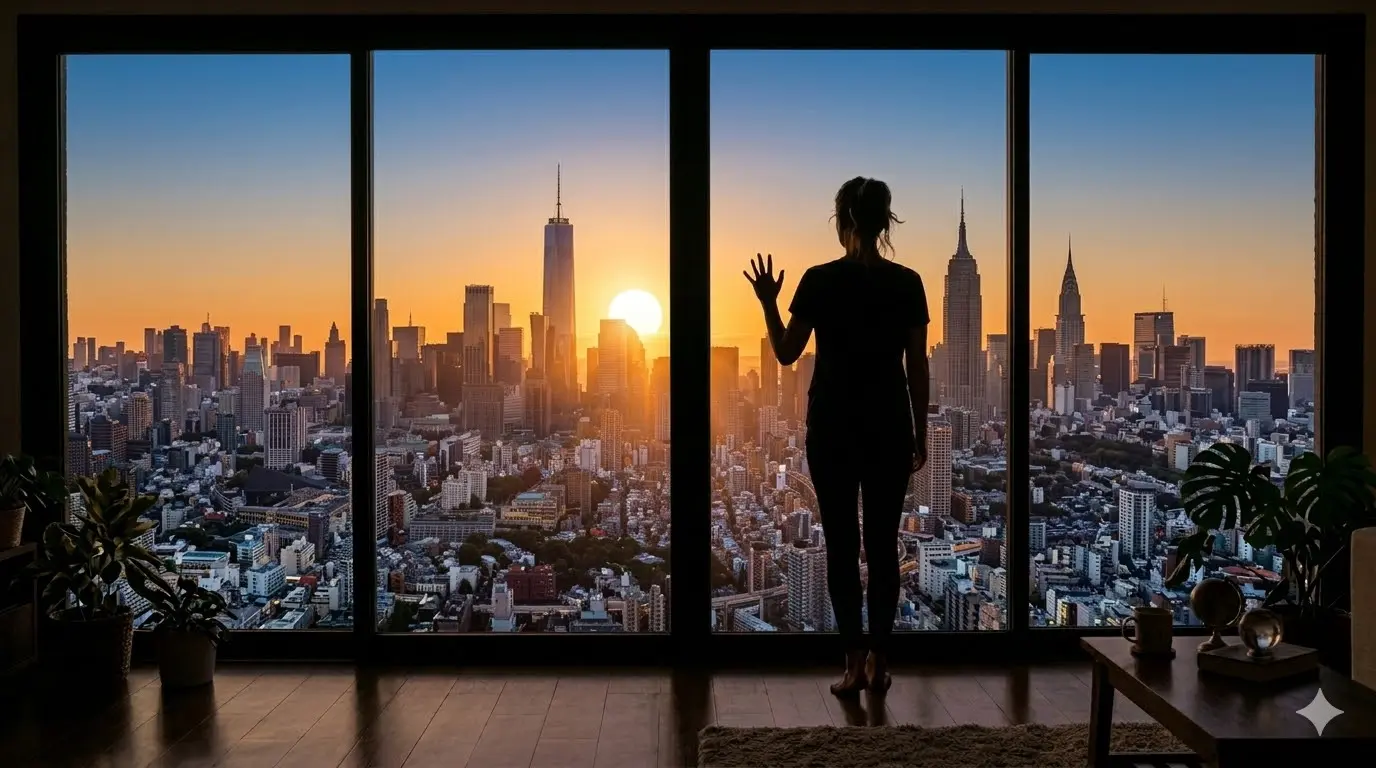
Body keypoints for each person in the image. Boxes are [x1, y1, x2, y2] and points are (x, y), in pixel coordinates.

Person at [745, 176, 930, 697]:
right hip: (890, 425)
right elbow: (916, 364)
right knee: (884, 548)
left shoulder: (819, 280)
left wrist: (767, 301)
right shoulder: (907, 282)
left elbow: (785, 351)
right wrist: (919, 431)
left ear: (842, 220)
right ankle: (880, 663)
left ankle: (851, 665)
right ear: (883, 221)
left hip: (832, 429)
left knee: (843, 547)